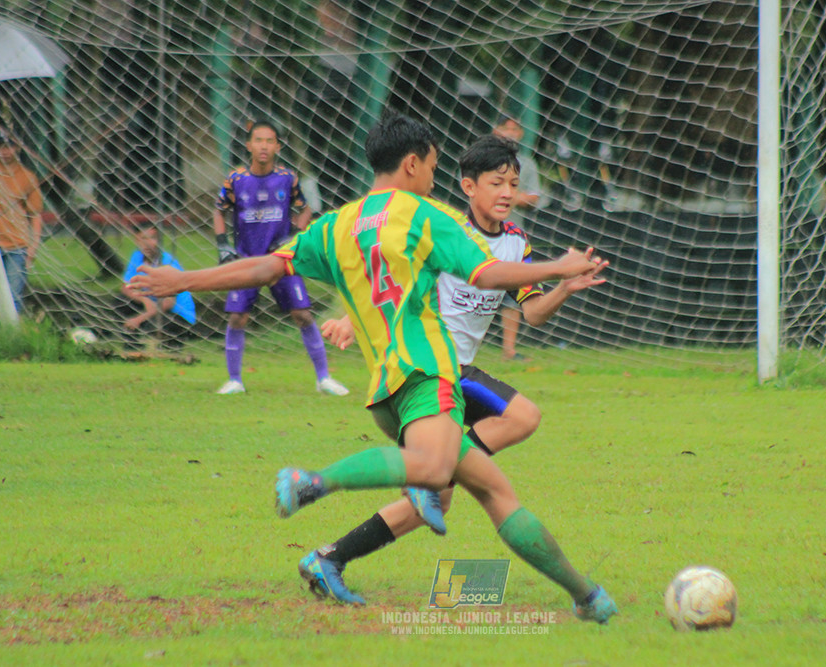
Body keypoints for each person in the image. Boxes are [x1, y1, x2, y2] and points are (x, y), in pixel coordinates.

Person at [129, 113, 616, 624]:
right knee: (433, 471)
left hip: (385, 390)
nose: (434, 176)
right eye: (431, 165)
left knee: (491, 490)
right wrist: (559, 267)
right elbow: (487, 273)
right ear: (411, 163)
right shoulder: (425, 214)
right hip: (429, 374)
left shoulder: (337, 225)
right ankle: (314, 481)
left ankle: (587, 597)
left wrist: (184, 281)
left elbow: (265, 266)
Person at [299, 133, 608, 611]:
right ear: (468, 186)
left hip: (457, 375)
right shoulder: (441, 230)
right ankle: (441, 470)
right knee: (523, 416)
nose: (506, 192)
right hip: (434, 370)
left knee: (438, 503)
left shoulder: (517, 243)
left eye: (513, 183)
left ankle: (331, 557)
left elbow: (533, 315)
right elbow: (386, 278)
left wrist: (564, 288)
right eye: (496, 183)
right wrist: (347, 317)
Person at [213, 120, 349, 395]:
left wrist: (295, 237)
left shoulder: (287, 179)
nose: (264, 146)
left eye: (269, 141)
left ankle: (323, 378)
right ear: (249, 145)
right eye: (258, 140)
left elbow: (305, 209)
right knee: (237, 318)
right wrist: (222, 245)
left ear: (277, 146)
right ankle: (234, 380)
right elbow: (219, 210)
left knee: (302, 314)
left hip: (281, 260)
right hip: (247, 259)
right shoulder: (236, 179)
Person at [0, 127, 44, 313]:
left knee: (13, 299)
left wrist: (33, 247)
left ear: (17, 148)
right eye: (0, 146)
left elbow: (35, 214)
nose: (4, 151)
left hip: (18, 245)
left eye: (9, 146)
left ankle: (12, 336)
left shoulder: (27, 176)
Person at [493, 116, 543, 360]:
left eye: (515, 129)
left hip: (513, 236)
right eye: (506, 128)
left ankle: (509, 351)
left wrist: (510, 197)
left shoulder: (528, 164)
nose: (511, 133)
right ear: (496, 130)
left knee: (514, 294)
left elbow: (533, 197)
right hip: (483, 236)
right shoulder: (485, 161)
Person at [120, 223, 196, 349]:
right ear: (136, 240)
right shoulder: (137, 257)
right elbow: (125, 287)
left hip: (176, 314)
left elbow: (169, 302)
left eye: (152, 238)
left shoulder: (167, 262)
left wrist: (140, 318)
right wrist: (145, 300)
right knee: (120, 301)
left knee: (155, 324)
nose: (148, 243)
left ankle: (170, 346)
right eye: (143, 238)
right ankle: (129, 346)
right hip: (154, 308)